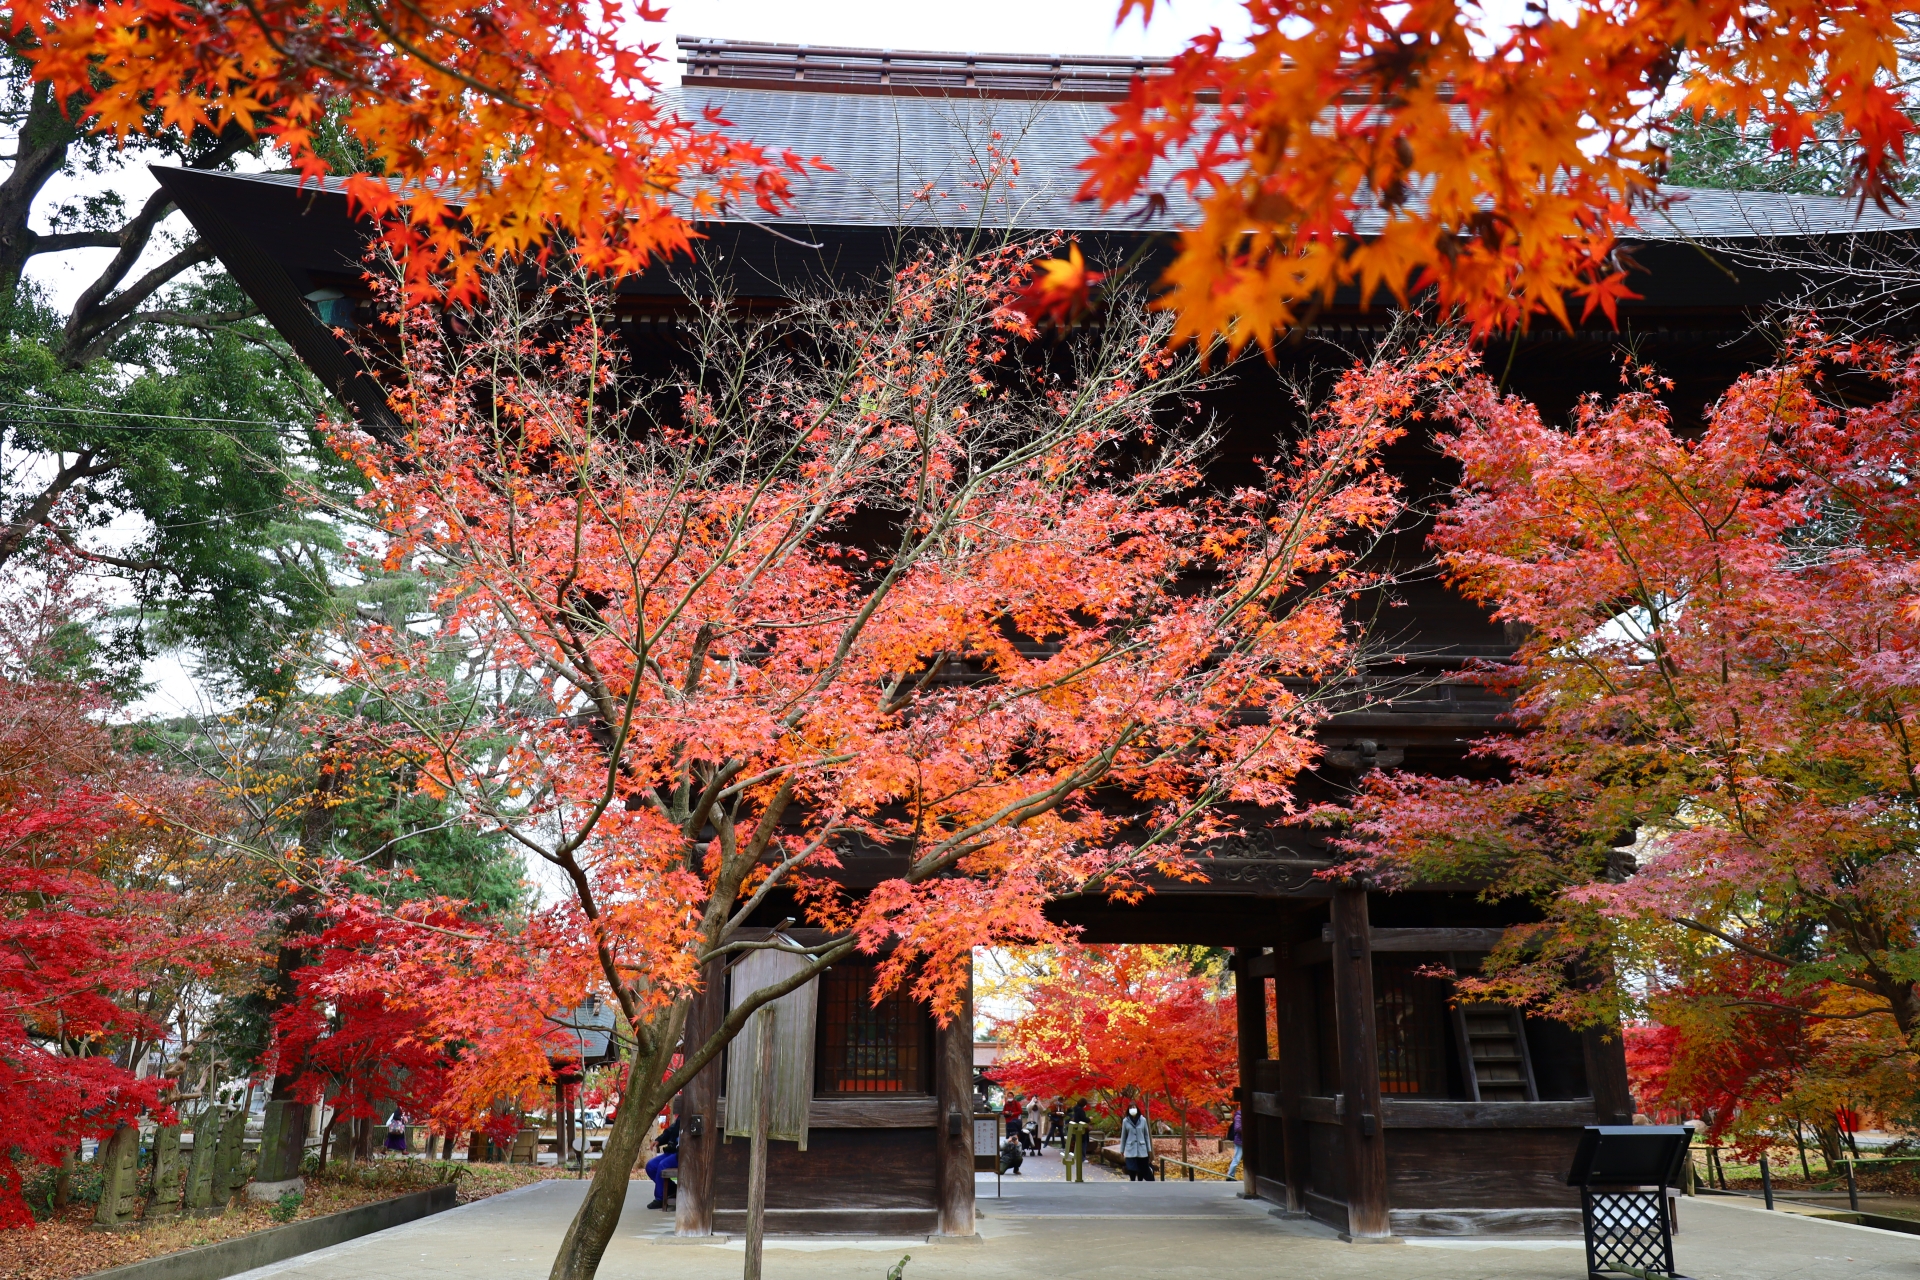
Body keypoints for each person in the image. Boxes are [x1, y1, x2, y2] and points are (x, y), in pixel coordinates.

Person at [645, 1112, 680, 1210]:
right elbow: (671, 1130)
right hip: (672, 1151)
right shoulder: (681, 1117)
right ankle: (671, 1189)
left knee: (662, 1165)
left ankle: (660, 1199)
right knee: (651, 1166)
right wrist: (659, 1140)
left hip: (682, 1155)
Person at [1120, 1103, 1153, 1181]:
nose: (1132, 1109)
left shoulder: (1143, 1120)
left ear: (1137, 1108)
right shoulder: (1125, 1121)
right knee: (1132, 1168)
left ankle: (1140, 1183)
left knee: (1141, 1169)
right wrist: (1122, 1150)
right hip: (1130, 1149)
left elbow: (1146, 1136)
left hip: (1142, 1149)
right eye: (1130, 1107)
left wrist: (1149, 1150)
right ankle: (1132, 1182)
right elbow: (1123, 1136)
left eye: (1134, 1107)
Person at [1226, 1107, 1243, 1180]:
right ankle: (1230, 1175)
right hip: (1240, 1141)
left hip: (1243, 1140)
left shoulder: (1240, 1116)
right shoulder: (1239, 1116)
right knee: (1237, 1158)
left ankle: (1230, 1175)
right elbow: (1238, 1128)